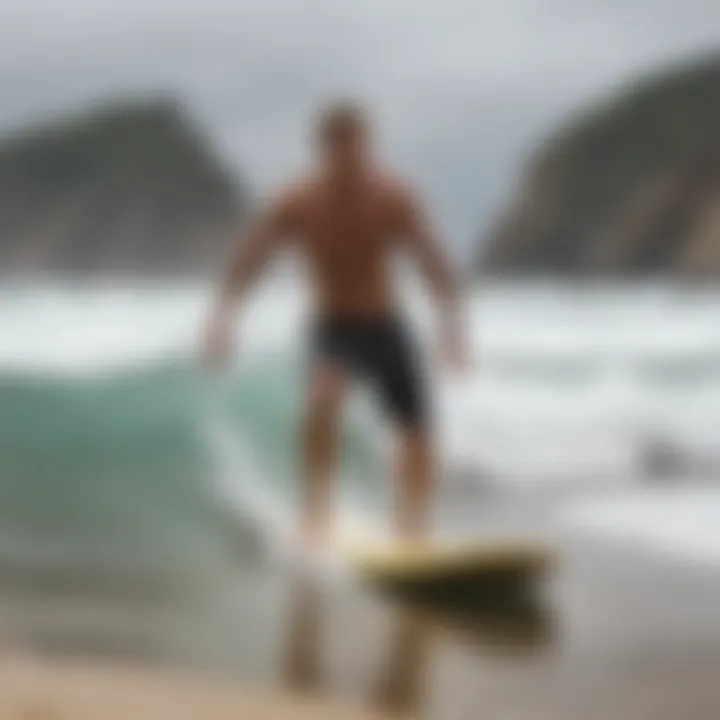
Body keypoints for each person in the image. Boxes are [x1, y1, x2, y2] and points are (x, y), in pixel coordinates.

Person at [202, 101, 466, 547]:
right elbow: (251, 257)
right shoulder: (298, 201)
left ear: (370, 145)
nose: (352, 160)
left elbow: (432, 260)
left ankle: (411, 523)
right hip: (332, 325)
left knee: (418, 432)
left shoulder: (394, 196)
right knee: (324, 395)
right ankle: (316, 511)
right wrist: (224, 318)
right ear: (323, 151)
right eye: (341, 150)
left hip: (385, 323)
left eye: (360, 148)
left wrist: (451, 328)